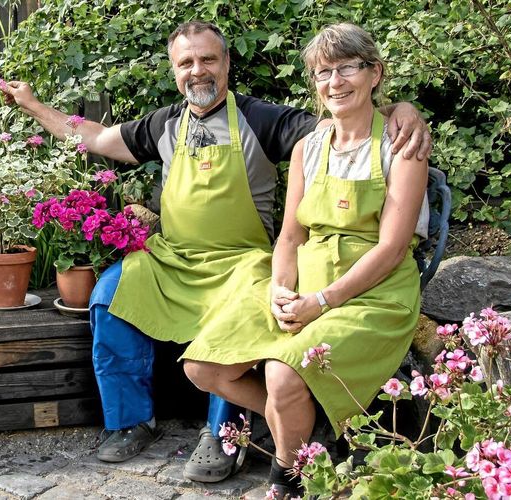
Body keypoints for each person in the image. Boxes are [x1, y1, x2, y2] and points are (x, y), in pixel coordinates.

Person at [0, 21, 430, 483]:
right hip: (172, 257)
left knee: (237, 310)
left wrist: (402, 110)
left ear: (226, 63)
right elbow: (95, 138)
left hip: (240, 260)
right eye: (186, 62)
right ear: (174, 71)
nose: (197, 70)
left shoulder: (262, 119)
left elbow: (343, 119)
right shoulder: (164, 123)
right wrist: (32, 105)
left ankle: (223, 433)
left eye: (208, 59)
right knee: (109, 294)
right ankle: (129, 421)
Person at [181, 22, 429, 496]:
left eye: (347, 68)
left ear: (375, 73)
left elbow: (392, 249)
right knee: (203, 366)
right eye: (323, 72)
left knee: (282, 373)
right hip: (305, 285)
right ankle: (312, 426)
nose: (335, 82)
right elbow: (291, 236)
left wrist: (322, 300)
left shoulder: (400, 146)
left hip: (372, 293)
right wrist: (280, 289)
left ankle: (289, 476)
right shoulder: (308, 148)